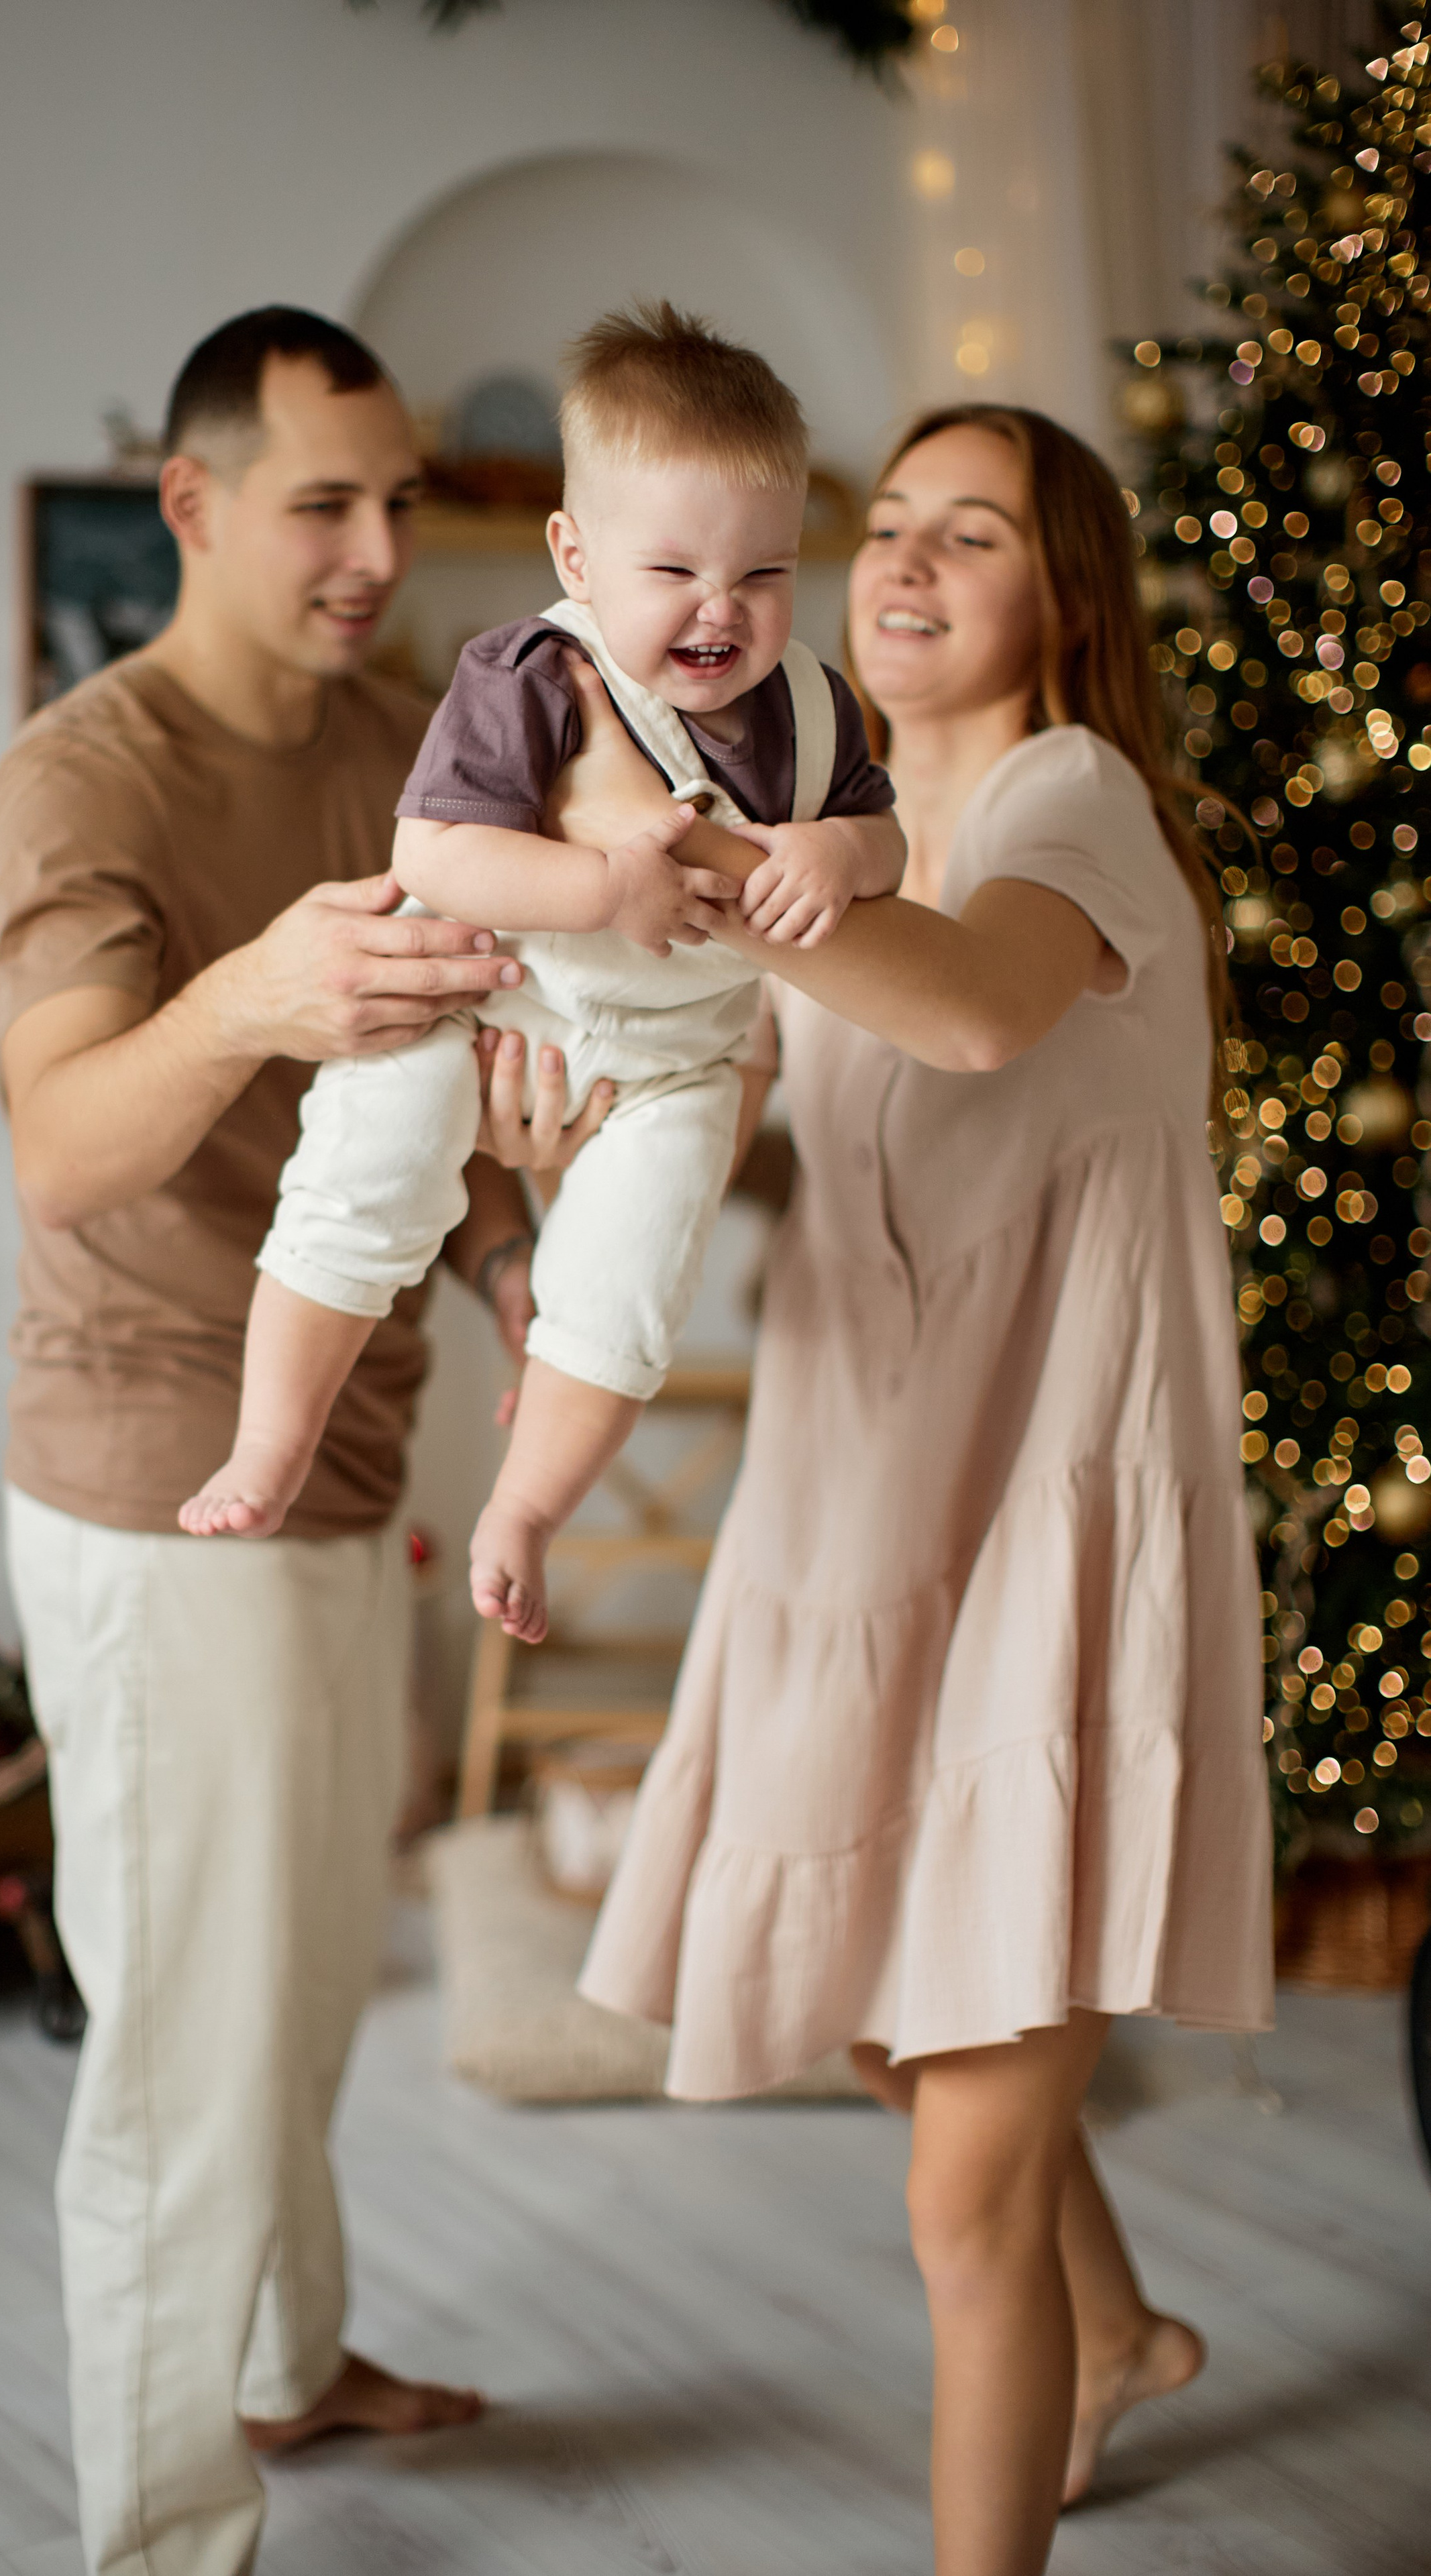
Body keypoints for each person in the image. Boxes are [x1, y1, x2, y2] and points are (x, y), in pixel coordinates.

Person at [563, 405, 1275, 2576]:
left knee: (957, 2188)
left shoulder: (1073, 799)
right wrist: (568, 1172)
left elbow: (968, 1019)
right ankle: (1129, 2330)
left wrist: (691, 863)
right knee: (887, 2013)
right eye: (887, 527)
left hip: (1037, 1510)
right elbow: (823, 1135)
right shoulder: (855, 811)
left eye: (972, 533)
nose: (906, 562)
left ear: (1061, 595)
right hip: (869, 1492)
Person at [0, 305, 604, 2576]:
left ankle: (287, 2368)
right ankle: (162, 2536)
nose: (369, 551)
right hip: (156, 1478)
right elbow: (63, 1148)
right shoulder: (85, 779)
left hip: (351, 1459)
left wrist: (526, 1262)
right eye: (323, 502)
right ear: (197, 504)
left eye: (398, 500)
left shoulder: (404, 748)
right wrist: (251, 993)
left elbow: (454, 1108)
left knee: (313, 1979)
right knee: (184, 2054)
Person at [180, 306, 904, 1651]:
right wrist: (596, 888)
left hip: (674, 1069)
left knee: (628, 1281)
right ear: (574, 553)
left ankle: (524, 1510)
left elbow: (887, 836)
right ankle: (272, 1442)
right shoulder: (529, 676)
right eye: (674, 568)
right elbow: (433, 852)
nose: (719, 609)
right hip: (481, 1004)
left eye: (763, 573)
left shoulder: (815, 706)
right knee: (362, 1177)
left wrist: (838, 847)